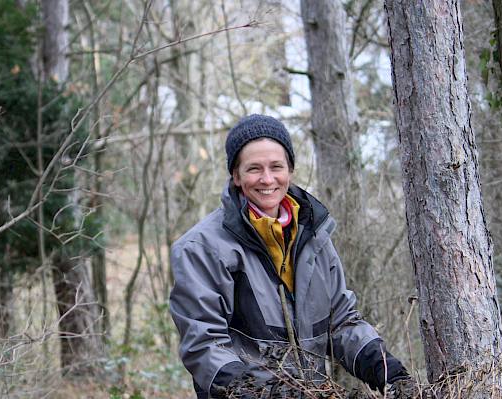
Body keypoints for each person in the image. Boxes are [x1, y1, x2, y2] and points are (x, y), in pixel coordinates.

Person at [169, 114, 417, 398]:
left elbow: (341, 322)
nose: (267, 179)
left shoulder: (315, 235)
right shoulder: (200, 247)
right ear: (236, 176)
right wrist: (258, 392)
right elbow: (204, 344)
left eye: (276, 167)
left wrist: (386, 369)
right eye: (253, 169)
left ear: (290, 171)